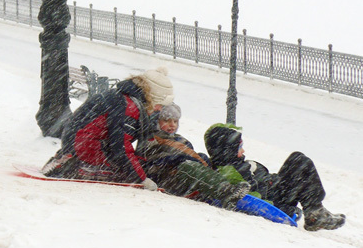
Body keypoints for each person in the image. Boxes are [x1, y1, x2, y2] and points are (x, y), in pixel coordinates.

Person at [42, 67, 176, 189]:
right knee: (117, 174)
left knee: (123, 168)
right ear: (151, 97)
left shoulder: (125, 97)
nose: (159, 109)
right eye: (159, 104)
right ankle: (73, 167)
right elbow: (121, 148)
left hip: (77, 140)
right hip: (85, 143)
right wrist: (142, 179)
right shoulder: (130, 108)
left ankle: (69, 158)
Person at [204, 123, 346, 231]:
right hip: (276, 198)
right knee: (299, 161)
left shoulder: (233, 164)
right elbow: (251, 201)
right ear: (227, 149)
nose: (243, 150)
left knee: (298, 161)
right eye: (239, 147)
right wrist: (285, 211)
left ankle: (315, 213)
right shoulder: (231, 172)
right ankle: (315, 213)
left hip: (274, 188)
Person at [138, 104, 250, 209]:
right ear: (156, 121)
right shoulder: (153, 139)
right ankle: (225, 192)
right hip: (166, 179)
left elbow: (189, 154)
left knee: (200, 160)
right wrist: (182, 159)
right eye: (167, 121)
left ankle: (225, 188)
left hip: (181, 179)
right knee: (188, 166)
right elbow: (159, 158)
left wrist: (200, 159)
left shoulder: (179, 139)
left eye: (175, 121)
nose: (172, 125)